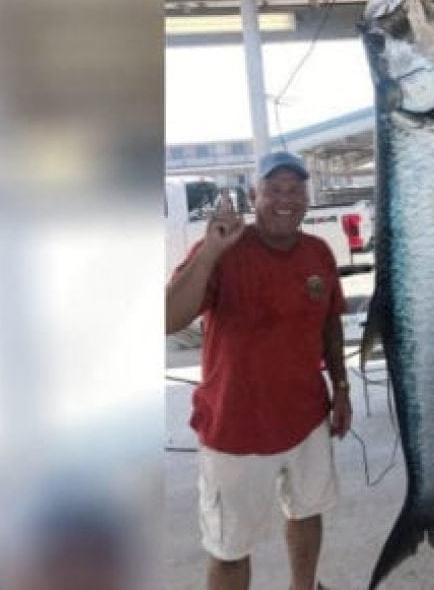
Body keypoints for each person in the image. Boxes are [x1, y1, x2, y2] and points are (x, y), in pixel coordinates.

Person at [165, 151, 352, 590]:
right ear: (254, 195)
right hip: (235, 429)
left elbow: (330, 321)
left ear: (307, 198)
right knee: (230, 550)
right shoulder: (225, 248)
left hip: (306, 418)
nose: (284, 199)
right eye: (273, 189)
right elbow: (169, 318)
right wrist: (210, 252)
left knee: (307, 513)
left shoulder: (318, 252)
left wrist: (341, 385)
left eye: (294, 190)